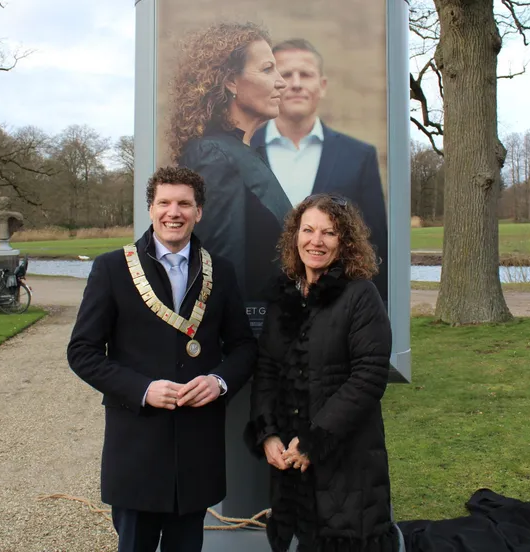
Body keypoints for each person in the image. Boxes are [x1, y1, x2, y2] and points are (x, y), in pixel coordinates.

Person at [67, 166, 257, 552]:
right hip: (136, 448)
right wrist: (143, 389)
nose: (174, 212)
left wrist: (218, 382)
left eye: (184, 204)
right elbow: (82, 352)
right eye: (164, 203)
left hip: (197, 449)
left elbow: (244, 347)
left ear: (198, 212)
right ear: (151, 210)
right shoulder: (112, 268)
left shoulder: (220, 271)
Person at [245, 193, 398, 551]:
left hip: (347, 458)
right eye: (308, 230)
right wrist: (268, 434)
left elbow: (369, 376)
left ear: (345, 242)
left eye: (329, 233)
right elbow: (266, 369)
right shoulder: (284, 297)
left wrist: (314, 441)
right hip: (291, 461)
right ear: (295, 236)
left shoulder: (361, 295)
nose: (316, 241)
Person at [250, 39, 389, 300]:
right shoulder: (240, 152)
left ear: (322, 85)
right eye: (286, 74)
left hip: (337, 307)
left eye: (305, 74)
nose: (296, 83)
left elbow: (375, 243)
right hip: (260, 307)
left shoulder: (359, 156)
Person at [170, 22, 292, 302]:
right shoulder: (214, 156)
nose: (281, 82)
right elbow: (220, 276)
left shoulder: (243, 152)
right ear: (231, 81)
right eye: (267, 69)